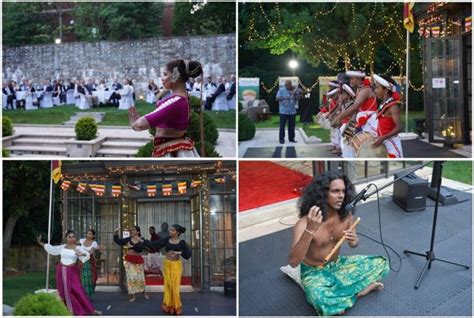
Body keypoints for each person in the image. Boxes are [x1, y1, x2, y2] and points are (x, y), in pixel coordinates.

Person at [289, 171, 389, 316]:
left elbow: (354, 245)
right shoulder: (305, 223)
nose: (341, 195)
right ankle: (359, 291)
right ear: (322, 194)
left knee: (382, 262)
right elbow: (293, 262)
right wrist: (309, 231)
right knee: (321, 300)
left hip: (337, 265)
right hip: (314, 272)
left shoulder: (346, 215)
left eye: (343, 191)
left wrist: (354, 241)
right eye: (335, 191)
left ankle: (342, 296)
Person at [128, 59, 202, 157]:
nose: (162, 78)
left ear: (175, 76)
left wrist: (135, 124)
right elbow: (161, 99)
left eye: (165, 74)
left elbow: (141, 124)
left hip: (172, 152)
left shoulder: (176, 101)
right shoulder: (182, 98)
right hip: (177, 149)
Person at [37, 231, 101, 315]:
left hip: (72, 271)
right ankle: (67, 309)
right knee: (63, 291)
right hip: (61, 270)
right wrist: (40, 243)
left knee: (78, 290)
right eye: (69, 237)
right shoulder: (62, 247)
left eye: (73, 237)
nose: (71, 239)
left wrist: (81, 254)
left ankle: (91, 310)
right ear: (66, 238)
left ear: (75, 238)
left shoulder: (77, 248)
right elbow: (51, 248)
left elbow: (86, 255)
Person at [144, 224, 192, 315]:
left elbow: (187, 254)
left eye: (172, 230)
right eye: (170, 230)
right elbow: (155, 245)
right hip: (167, 265)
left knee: (175, 286)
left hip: (176, 265)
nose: (170, 231)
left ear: (177, 233)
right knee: (168, 285)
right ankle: (168, 305)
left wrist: (178, 252)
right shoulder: (166, 240)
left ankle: (176, 306)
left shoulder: (181, 242)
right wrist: (143, 241)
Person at [332, 71, 378, 137]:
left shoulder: (365, 90)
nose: (350, 81)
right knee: (348, 138)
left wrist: (339, 118)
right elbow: (356, 110)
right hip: (363, 119)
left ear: (359, 79)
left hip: (370, 121)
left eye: (352, 79)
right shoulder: (360, 89)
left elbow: (354, 107)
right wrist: (349, 126)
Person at [114, 226, 149, 302]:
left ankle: (144, 293)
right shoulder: (128, 239)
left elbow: (142, 248)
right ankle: (133, 295)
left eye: (133, 230)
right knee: (131, 278)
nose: (132, 231)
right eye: (132, 230)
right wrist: (116, 233)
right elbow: (119, 241)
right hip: (129, 260)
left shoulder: (141, 240)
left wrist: (133, 246)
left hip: (138, 260)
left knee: (140, 277)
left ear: (138, 232)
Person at [372, 74, 403, 158]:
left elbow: (399, 127)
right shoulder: (383, 104)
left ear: (385, 90)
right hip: (384, 141)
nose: (375, 90)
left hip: (392, 143)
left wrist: (383, 138)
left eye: (377, 88)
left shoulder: (393, 106)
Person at [276, 80, 301, 144]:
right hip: (283, 111)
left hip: (292, 111)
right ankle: (281, 139)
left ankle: (291, 138)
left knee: (292, 126)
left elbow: (298, 98)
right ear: (285, 85)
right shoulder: (281, 90)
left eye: (290, 85)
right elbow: (277, 98)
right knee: (282, 126)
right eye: (287, 85)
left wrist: (295, 94)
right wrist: (284, 98)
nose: (289, 86)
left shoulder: (294, 90)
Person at [79, 229, 99, 298]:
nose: (88, 235)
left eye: (90, 234)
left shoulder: (94, 243)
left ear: (93, 235)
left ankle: (88, 294)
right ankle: (82, 294)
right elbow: (74, 244)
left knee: (90, 277)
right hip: (81, 261)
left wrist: (82, 253)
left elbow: (91, 252)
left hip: (89, 261)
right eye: (87, 233)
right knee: (82, 277)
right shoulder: (82, 240)